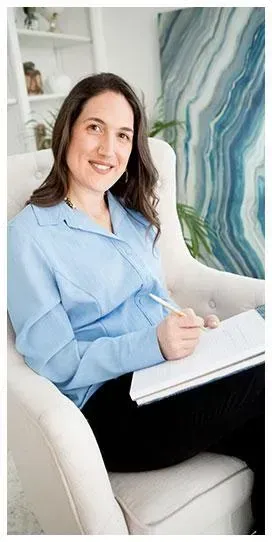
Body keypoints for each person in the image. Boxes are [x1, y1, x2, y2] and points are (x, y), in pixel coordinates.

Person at [7, 73, 264, 534]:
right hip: (108, 409)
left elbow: (152, 304)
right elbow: (54, 362)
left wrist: (188, 330)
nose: (109, 149)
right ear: (68, 129)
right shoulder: (28, 236)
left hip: (164, 378)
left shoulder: (129, 216)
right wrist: (154, 344)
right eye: (95, 128)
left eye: (123, 134)